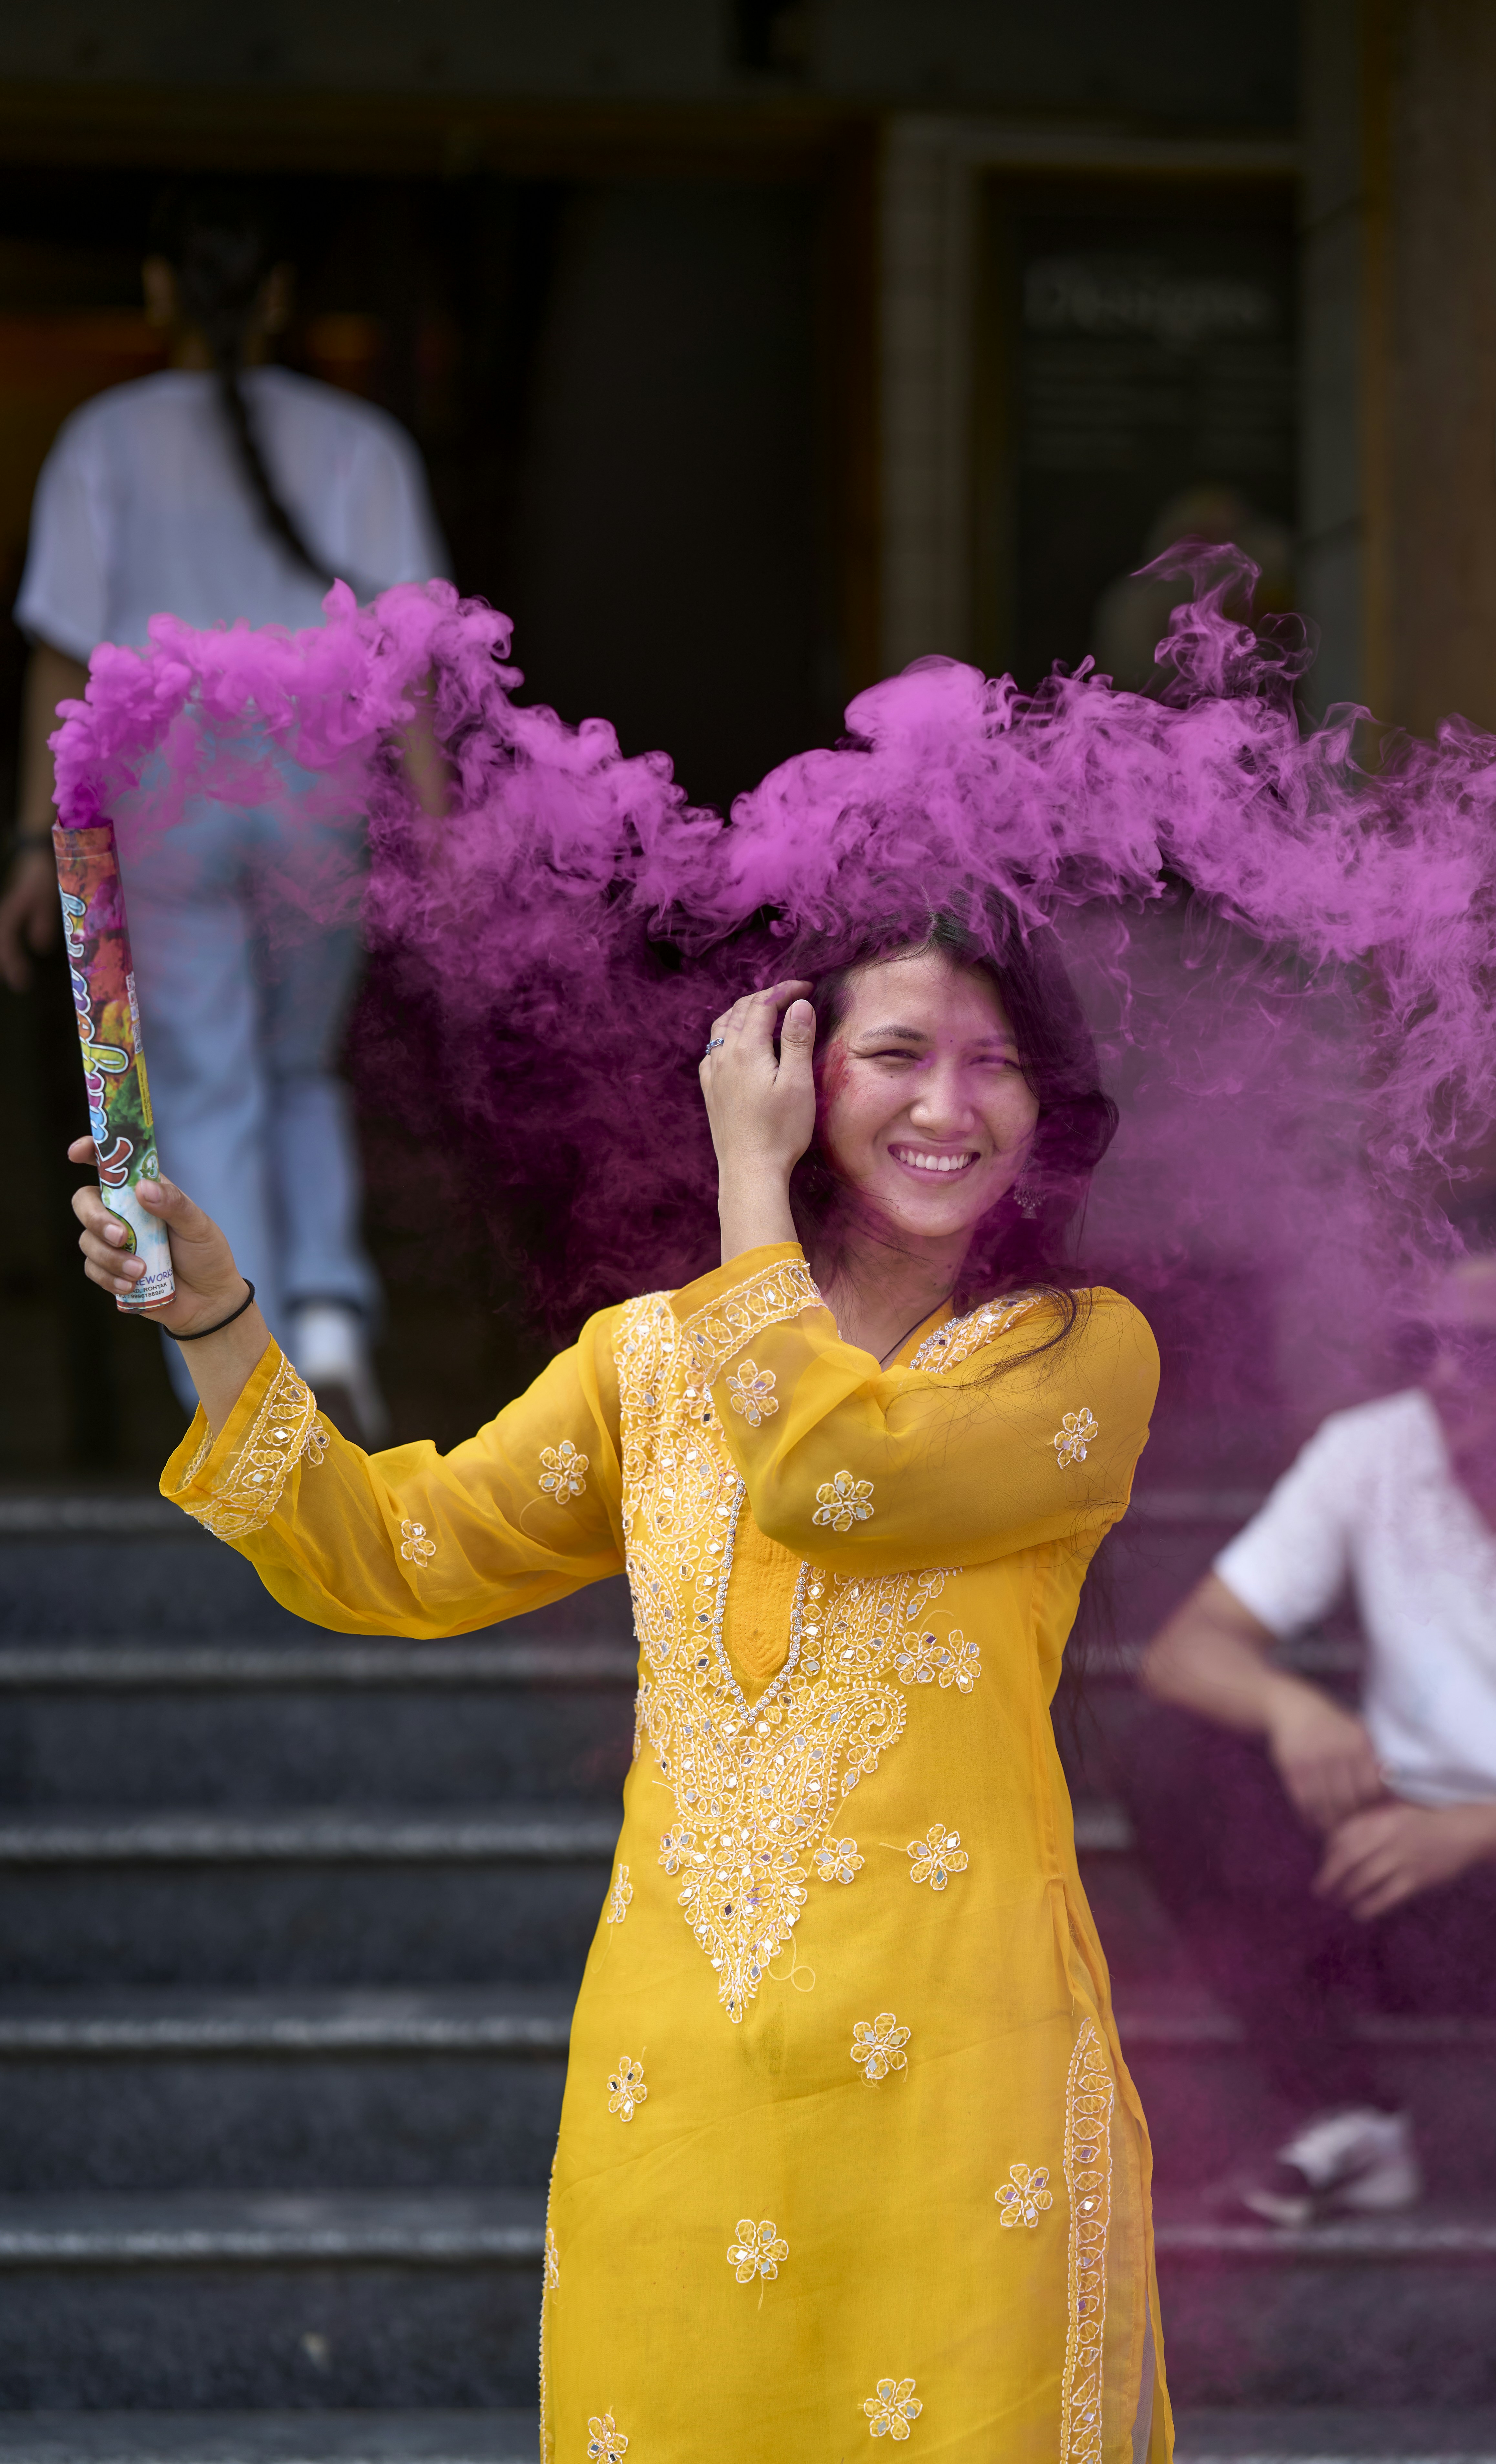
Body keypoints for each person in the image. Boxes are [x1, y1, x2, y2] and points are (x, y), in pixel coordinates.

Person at [69, 918, 1169, 2461]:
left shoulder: (1072, 1358)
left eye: (997, 1065)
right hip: (682, 2083)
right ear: (789, 1069)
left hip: (963, 2089)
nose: (948, 1107)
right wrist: (217, 1321)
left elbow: (825, 1476)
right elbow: (391, 1557)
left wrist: (745, 1186)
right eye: (898, 1056)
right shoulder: (647, 1368)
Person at [1125, 1200, 1496, 2451]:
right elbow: (1188, 1652)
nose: (1447, 1375)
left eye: (1489, 1346)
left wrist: (1475, 1836)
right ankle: (1347, 2113)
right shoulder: (1374, 1452)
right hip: (1392, 1875)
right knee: (1174, 1760)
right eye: (1421, 1342)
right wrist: (1293, 1707)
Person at [1, 180, 449, 1440]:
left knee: (206, 1081)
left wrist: (36, 842)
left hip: (165, 803)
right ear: (283, 298)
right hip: (322, 796)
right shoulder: (363, 444)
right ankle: (332, 1320)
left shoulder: (103, 441)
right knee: (302, 1070)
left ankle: (239, 1365)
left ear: (159, 293)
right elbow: (409, 658)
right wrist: (433, 828)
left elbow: (60, 660)